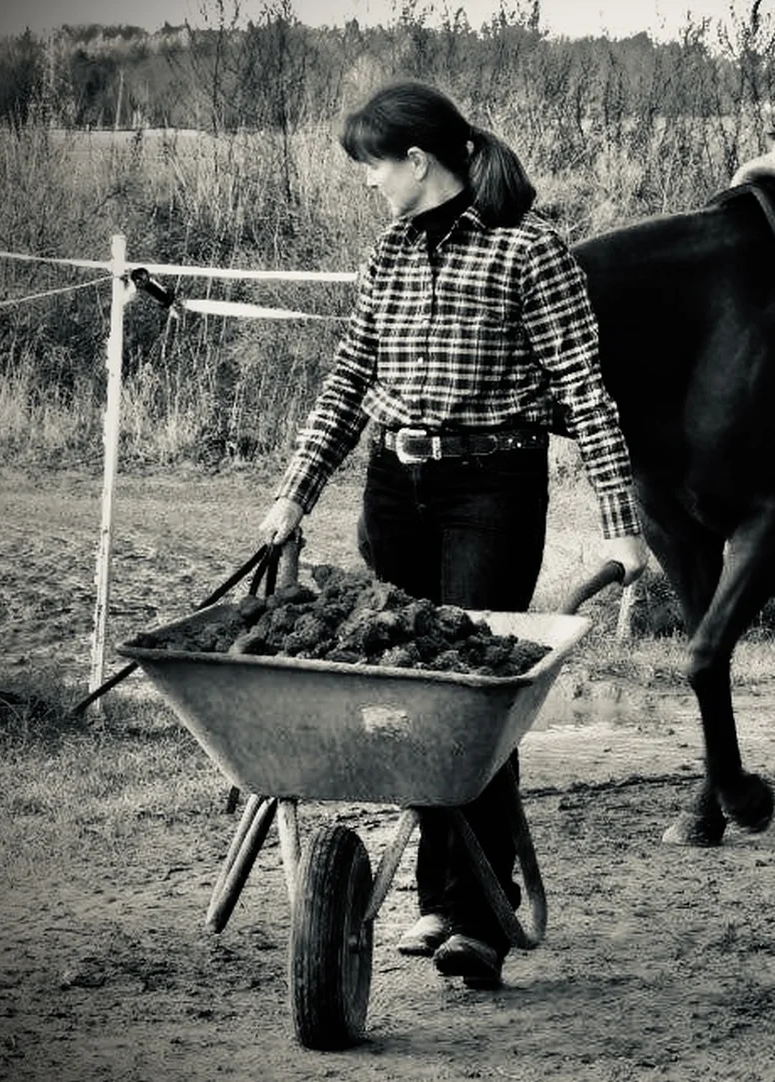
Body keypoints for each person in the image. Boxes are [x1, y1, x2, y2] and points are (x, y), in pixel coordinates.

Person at [258, 80, 648, 990]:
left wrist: (621, 528)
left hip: (490, 487)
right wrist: (294, 495)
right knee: (411, 688)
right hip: (395, 488)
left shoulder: (530, 252)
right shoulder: (389, 252)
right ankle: (441, 895)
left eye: (372, 167)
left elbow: (586, 390)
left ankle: (477, 913)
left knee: (468, 694)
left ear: (417, 162)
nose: (367, 184)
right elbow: (350, 378)